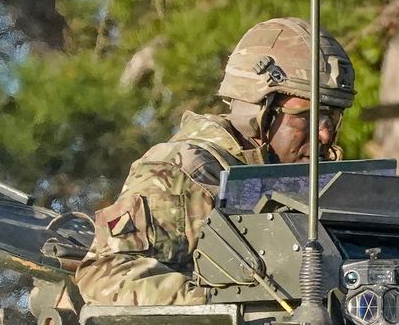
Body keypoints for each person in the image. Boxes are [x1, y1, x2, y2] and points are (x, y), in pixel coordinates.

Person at [74, 18, 356, 305]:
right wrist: (225, 306)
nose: (324, 134)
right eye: (307, 118)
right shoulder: (183, 173)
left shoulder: (322, 181)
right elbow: (106, 273)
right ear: (260, 109)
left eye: (333, 118)